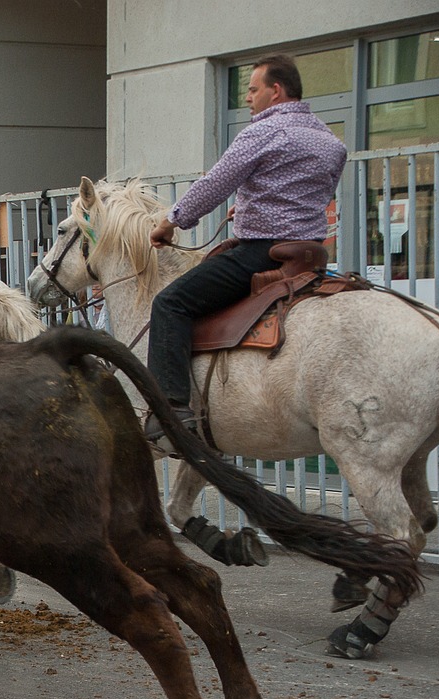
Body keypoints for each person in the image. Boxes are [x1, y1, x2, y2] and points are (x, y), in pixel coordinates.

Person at [144, 54, 346, 444]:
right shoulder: (330, 141)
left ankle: (171, 411)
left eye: (253, 89)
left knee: (170, 304)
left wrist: (170, 222)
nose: (249, 98)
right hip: (310, 258)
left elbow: (215, 183)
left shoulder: (264, 132)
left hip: (262, 254)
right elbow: (313, 193)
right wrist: (255, 203)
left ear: (276, 90)